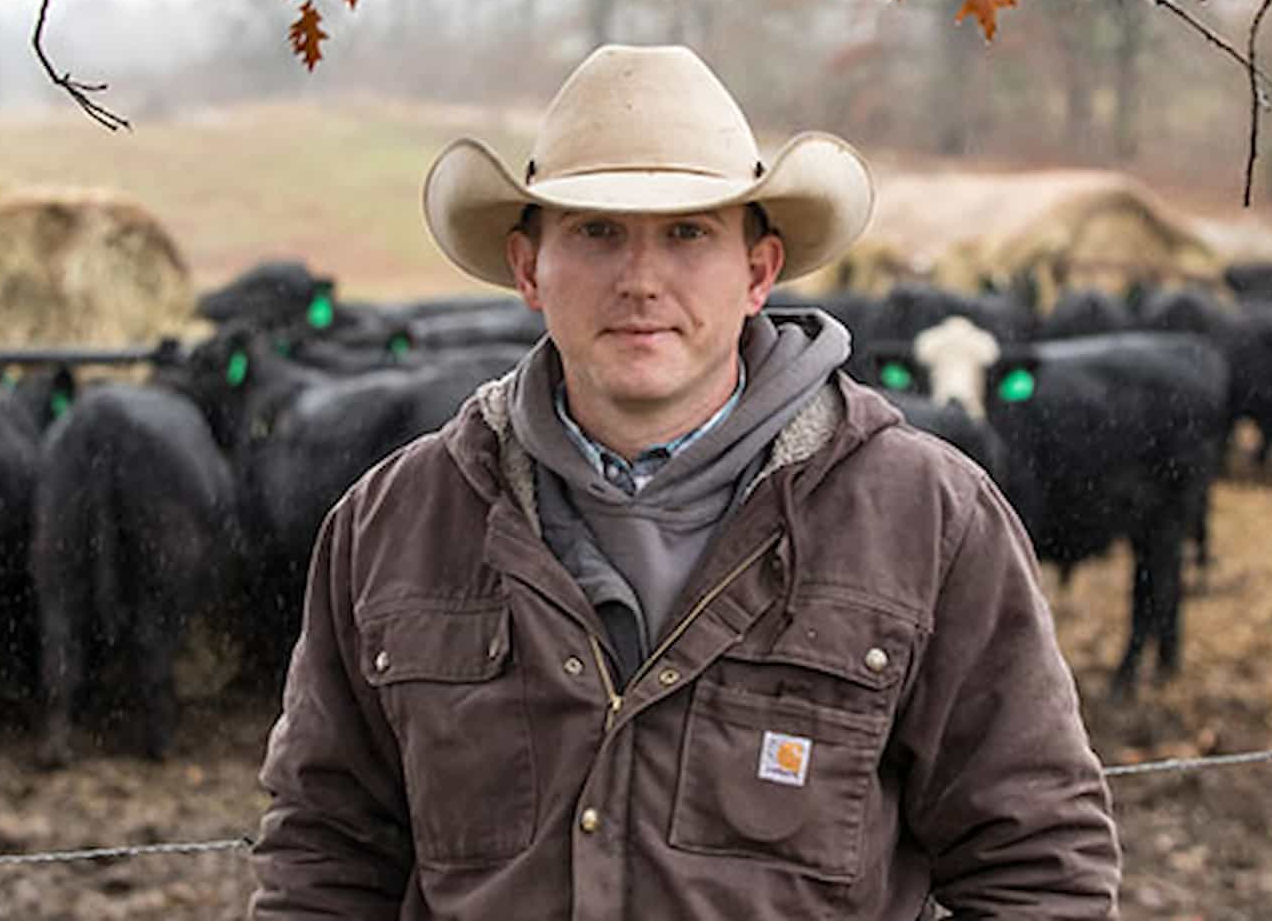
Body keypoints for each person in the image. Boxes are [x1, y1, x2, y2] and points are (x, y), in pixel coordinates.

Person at [248, 45, 1121, 918]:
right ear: (527, 268)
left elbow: (1037, 866)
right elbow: (325, 855)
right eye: (595, 231)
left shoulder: (926, 519)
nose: (640, 279)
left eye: (688, 232)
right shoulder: (394, 523)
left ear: (758, 271)